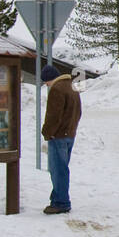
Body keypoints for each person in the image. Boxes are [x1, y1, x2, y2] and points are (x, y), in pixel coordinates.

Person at [40, 64, 81, 215]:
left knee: (58, 170)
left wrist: (47, 132)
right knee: (62, 169)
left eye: (46, 82)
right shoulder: (72, 87)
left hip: (58, 136)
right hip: (69, 134)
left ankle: (61, 202)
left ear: (50, 79)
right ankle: (58, 198)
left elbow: (53, 116)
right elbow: (78, 112)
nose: (46, 85)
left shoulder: (57, 89)